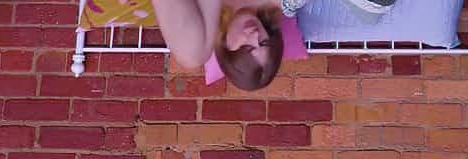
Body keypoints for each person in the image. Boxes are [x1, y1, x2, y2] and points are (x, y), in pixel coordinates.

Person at [152, 0, 396, 91]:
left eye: (248, 47)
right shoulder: (285, 2)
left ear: (226, 50)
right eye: (263, 41)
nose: (254, 35)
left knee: (193, 55)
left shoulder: (201, 26)